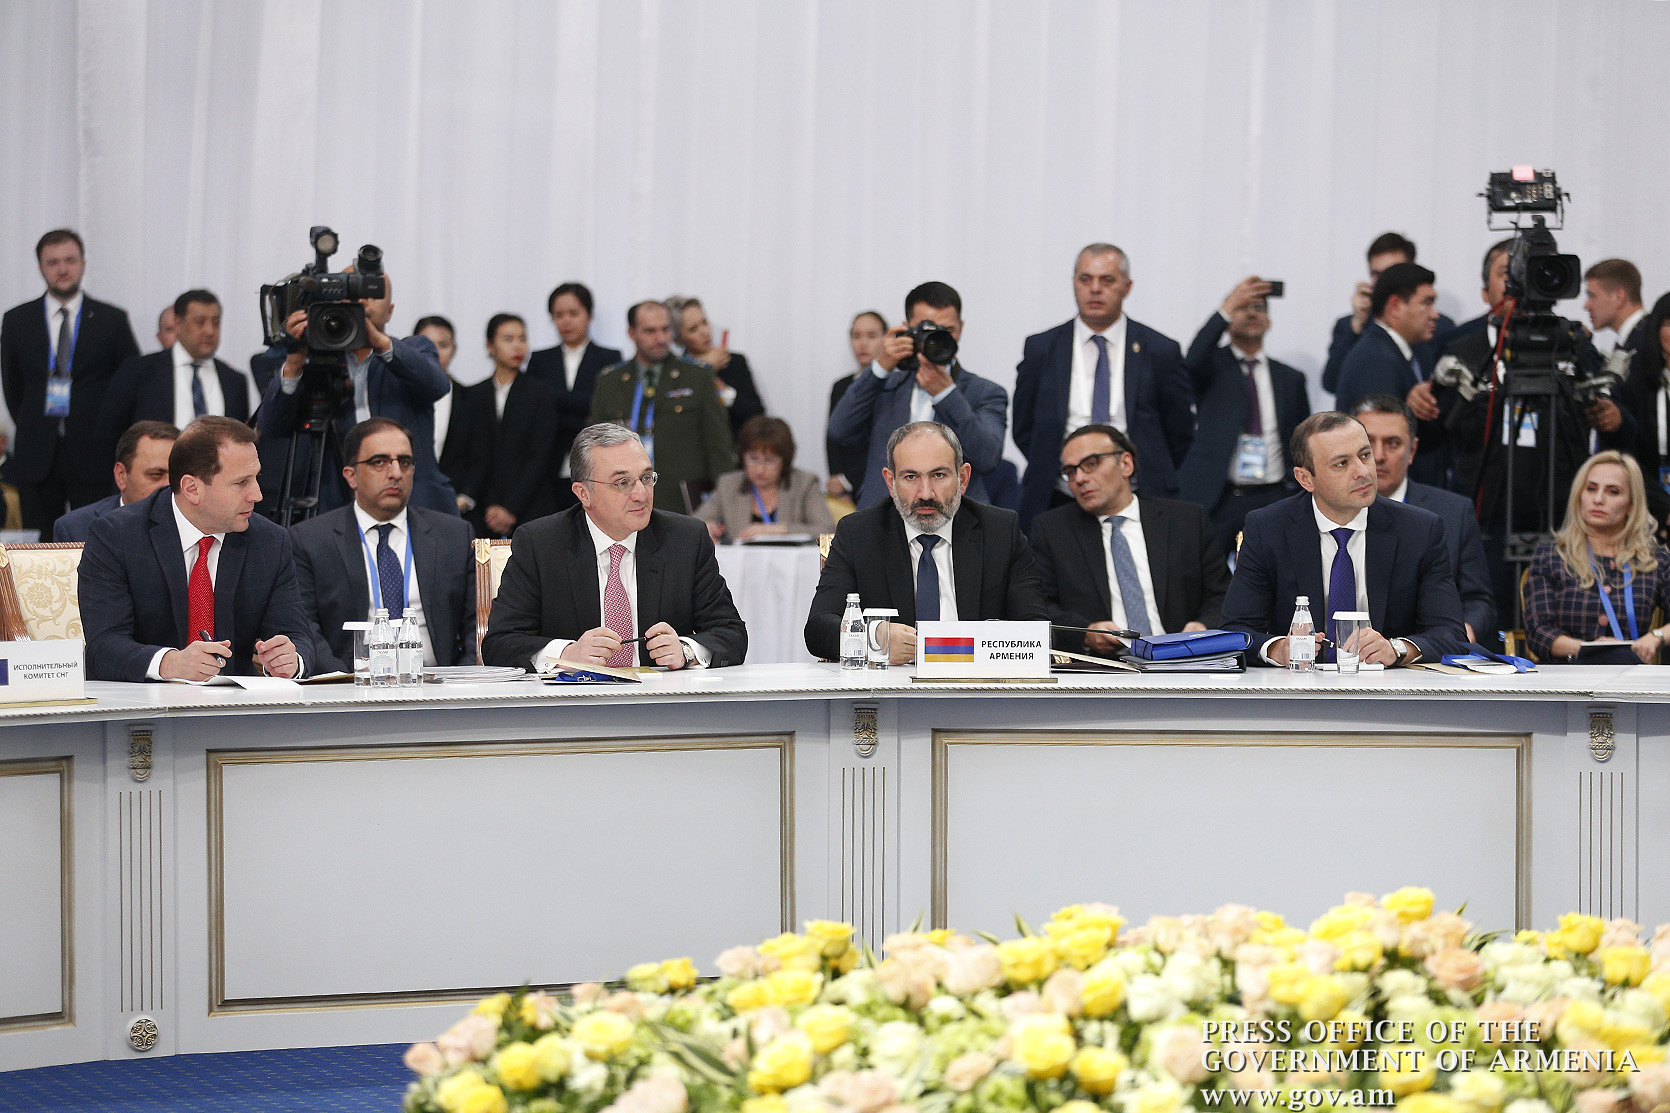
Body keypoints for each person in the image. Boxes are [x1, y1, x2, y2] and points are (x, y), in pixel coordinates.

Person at [481, 423, 747, 671]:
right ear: (584, 494)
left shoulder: (685, 539)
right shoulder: (540, 544)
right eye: (623, 483)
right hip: (573, 700)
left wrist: (686, 650)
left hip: (659, 699)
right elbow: (500, 644)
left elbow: (731, 633)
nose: (641, 495)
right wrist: (567, 654)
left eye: (646, 478)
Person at [1220, 412, 1468, 666]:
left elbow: (1451, 634)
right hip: (1299, 686)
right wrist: (1277, 649)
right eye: (1341, 463)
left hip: (1389, 686)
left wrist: (1396, 649)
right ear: (1306, 479)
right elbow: (1236, 630)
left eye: (1365, 455)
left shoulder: (1420, 530)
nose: (1362, 471)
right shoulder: (1267, 529)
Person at [78, 416, 311, 682]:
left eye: (256, 478)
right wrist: (171, 663)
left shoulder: (270, 541)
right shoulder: (116, 535)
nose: (257, 495)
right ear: (192, 489)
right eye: (241, 483)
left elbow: (297, 635)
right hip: (145, 700)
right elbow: (103, 645)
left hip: (236, 702)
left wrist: (290, 660)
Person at [804, 421, 1047, 663]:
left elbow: (1038, 631)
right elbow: (818, 628)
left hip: (976, 679)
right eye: (911, 477)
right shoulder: (859, 534)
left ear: (963, 478)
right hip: (891, 683)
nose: (926, 493)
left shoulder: (1000, 531)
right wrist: (875, 639)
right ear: (890, 482)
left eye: (939, 475)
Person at [1013, 243, 1193, 529]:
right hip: (1058, 497)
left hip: (1140, 497)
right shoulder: (1042, 348)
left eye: (1107, 280)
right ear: (1074, 283)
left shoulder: (1160, 350)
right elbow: (1024, 428)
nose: (1095, 289)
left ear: (1127, 286)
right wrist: (1069, 470)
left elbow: (1180, 432)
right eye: (1085, 280)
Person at [256, 268, 458, 518]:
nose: (361, 300)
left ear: (390, 311)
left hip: (417, 504)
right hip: (340, 507)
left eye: (372, 292)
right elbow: (272, 426)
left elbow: (437, 385)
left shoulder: (414, 348)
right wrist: (294, 363)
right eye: (350, 291)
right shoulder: (313, 362)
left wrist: (379, 342)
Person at [291, 418, 476, 673]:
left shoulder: (454, 536)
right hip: (350, 684)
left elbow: (477, 625)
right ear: (351, 476)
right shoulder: (310, 540)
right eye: (379, 462)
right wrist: (344, 683)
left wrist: (461, 681)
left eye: (405, 462)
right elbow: (305, 628)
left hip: (438, 683)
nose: (396, 473)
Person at [1031, 424, 1230, 657]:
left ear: (1126, 464)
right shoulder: (1052, 530)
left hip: (1184, 657)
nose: (1080, 479)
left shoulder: (1186, 521)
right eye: (1070, 471)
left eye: (1091, 464)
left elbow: (1223, 593)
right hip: (1103, 665)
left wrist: (1203, 626)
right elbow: (1039, 606)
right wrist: (1085, 632)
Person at [0, 230, 141, 534]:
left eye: (69, 260)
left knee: (97, 538)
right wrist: (32, 422)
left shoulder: (111, 320)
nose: (62, 269)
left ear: (83, 264)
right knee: (40, 545)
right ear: (41, 268)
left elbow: (129, 383)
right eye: (52, 262)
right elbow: (13, 387)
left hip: (95, 452)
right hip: (36, 454)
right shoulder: (17, 320)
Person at [827, 281, 1008, 509]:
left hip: (955, 519)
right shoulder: (885, 385)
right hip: (883, 516)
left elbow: (988, 458)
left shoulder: (985, 392)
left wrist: (946, 394)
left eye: (948, 331)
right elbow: (839, 430)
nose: (938, 339)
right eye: (928, 330)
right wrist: (880, 367)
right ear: (907, 328)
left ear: (960, 329)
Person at [1176, 276, 1311, 552]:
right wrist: (1224, 310)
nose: (1251, 313)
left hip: (1274, 496)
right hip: (1220, 497)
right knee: (1203, 573)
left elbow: (1302, 439)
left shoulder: (1290, 378)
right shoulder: (1211, 368)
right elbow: (1191, 361)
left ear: (1269, 322)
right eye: (1242, 307)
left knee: (1275, 574)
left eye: (1259, 308)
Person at [1352, 395, 1496, 644]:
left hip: (1429, 654)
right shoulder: (1325, 508)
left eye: (1392, 443)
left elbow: (1478, 600)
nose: (1379, 456)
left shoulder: (1453, 512)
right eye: (1367, 445)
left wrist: (1463, 631)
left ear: (1412, 451)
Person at [1524, 451, 1670, 664]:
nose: (1598, 499)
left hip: (1629, 675)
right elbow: (1538, 632)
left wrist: (1656, 637)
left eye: (1613, 492)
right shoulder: (1550, 556)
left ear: (1631, 504)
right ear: (1579, 495)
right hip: (1565, 675)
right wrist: (1593, 651)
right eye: (1591, 489)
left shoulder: (1655, 560)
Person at [588, 302, 734, 513]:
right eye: (650, 331)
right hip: (624, 498)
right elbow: (596, 448)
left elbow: (719, 446)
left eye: (665, 329)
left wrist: (723, 507)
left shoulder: (697, 375)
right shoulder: (610, 380)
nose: (660, 338)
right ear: (632, 333)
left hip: (683, 500)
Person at [94, 290, 250, 466]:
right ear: (178, 323)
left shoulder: (234, 381)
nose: (209, 331)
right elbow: (108, 435)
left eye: (216, 323)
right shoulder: (139, 371)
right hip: (156, 477)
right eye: (199, 322)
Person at [441, 314, 560, 538]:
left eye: (522, 339)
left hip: (532, 507)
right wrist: (491, 505)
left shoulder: (541, 394)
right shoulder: (474, 394)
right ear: (490, 345)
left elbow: (541, 457)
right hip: (484, 511)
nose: (517, 346)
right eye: (508, 339)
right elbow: (475, 457)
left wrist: (510, 508)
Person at [525, 282, 623, 506]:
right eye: (559, 315)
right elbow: (535, 410)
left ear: (589, 315)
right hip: (547, 465)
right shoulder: (540, 360)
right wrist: (581, 411)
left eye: (573, 313)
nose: (566, 321)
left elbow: (602, 407)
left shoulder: (609, 358)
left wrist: (553, 399)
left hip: (594, 463)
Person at [1321, 233, 1456, 394]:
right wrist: (1357, 324)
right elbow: (1333, 383)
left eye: (1393, 271)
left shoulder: (1440, 326)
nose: (1384, 281)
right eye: (1376, 274)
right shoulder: (1352, 326)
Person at [697, 415, 835, 542]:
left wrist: (778, 530)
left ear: (785, 461)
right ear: (742, 456)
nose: (760, 469)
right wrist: (707, 529)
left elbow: (827, 530)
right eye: (753, 459)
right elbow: (696, 523)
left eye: (769, 460)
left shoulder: (804, 483)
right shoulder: (729, 484)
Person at [1333, 262, 1443, 416]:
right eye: (1426, 303)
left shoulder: (1391, 351)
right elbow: (1382, 428)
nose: (1435, 314)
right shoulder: (1376, 360)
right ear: (1395, 306)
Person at [53, 420, 179, 543]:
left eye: (177, 475)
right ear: (121, 476)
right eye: (156, 475)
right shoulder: (76, 529)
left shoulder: (190, 522)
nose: (168, 485)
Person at [672, 297, 765, 436]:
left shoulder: (734, 362)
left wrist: (725, 392)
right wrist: (703, 369)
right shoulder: (674, 370)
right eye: (693, 329)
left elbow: (756, 413)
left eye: (704, 322)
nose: (704, 332)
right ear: (677, 338)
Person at [827, 311, 886, 501]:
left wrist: (848, 480)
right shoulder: (841, 386)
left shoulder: (895, 386)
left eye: (872, 336)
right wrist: (837, 478)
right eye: (856, 336)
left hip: (881, 485)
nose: (863, 343)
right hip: (844, 491)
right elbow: (832, 438)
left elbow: (883, 443)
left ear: (886, 339)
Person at [414, 315, 463, 460]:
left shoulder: (471, 399)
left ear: (454, 349)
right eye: (426, 345)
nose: (434, 352)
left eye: (443, 345)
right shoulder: (397, 396)